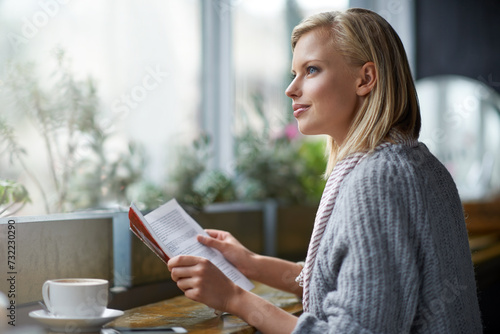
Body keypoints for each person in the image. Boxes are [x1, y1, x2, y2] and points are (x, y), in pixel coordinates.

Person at [167, 8, 482, 333]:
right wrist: (252, 264)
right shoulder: (418, 163)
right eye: (294, 72)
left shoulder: (377, 179)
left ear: (365, 79)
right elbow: (363, 288)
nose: (291, 89)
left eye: (312, 70)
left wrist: (235, 298)